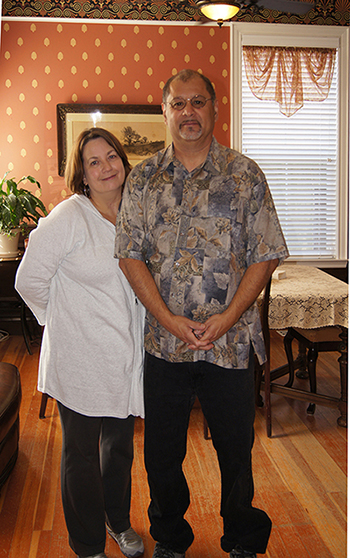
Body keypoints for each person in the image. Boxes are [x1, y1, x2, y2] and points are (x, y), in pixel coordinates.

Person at [115, 69, 289, 558]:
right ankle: (170, 538)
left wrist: (229, 316)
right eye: (178, 103)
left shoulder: (245, 175)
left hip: (229, 345)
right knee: (162, 454)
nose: (188, 112)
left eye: (198, 102)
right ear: (165, 111)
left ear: (215, 108)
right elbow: (129, 255)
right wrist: (170, 321)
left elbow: (266, 254)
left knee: (236, 451)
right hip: (165, 344)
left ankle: (243, 538)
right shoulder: (144, 179)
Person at [15, 127, 146, 558]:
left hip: (125, 355)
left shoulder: (136, 213)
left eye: (112, 156)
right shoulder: (69, 217)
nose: (107, 166)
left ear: (124, 163)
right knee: (81, 455)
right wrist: (60, 322)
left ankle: (118, 521)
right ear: (83, 174)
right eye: (95, 161)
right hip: (79, 358)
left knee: (119, 448)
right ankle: (87, 544)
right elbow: (28, 280)